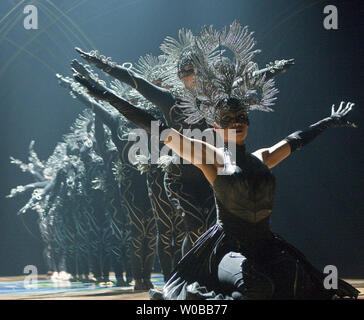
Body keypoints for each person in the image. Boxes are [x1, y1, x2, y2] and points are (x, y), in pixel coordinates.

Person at [72, 21, 359, 299]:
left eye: (241, 117)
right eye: (229, 119)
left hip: (265, 245)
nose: (237, 122)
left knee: (298, 283)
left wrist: (328, 121)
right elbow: (156, 127)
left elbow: (296, 140)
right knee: (252, 285)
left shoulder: (262, 158)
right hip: (221, 235)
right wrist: (104, 92)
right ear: (217, 126)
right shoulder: (210, 156)